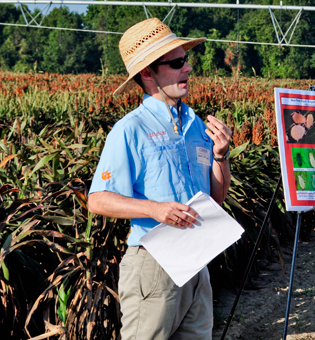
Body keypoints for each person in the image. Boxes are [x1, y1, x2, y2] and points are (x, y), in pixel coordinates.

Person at [87, 18, 232, 339]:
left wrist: (221, 155)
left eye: (187, 60)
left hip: (196, 259)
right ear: (147, 73)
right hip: (154, 263)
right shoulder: (130, 129)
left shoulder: (196, 126)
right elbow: (97, 199)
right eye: (177, 63)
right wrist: (155, 209)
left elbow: (215, 199)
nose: (188, 68)